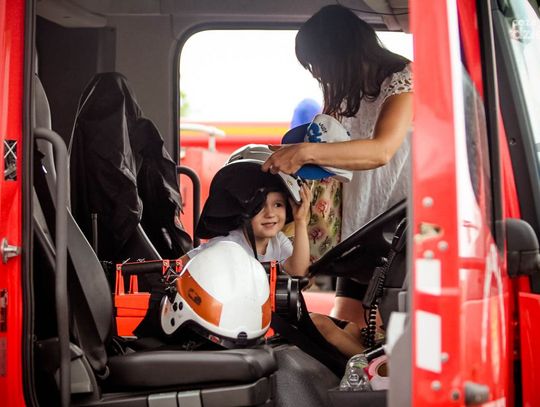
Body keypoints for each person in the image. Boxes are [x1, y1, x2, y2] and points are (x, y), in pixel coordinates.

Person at [262, 5, 413, 339]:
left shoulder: (403, 80)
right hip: (359, 230)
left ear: (340, 52)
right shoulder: (345, 96)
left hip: (396, 231)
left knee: (374, 336)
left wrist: (305, 151)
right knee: (338, 328)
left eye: (318, 65)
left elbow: (381, 150)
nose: (319, 75)